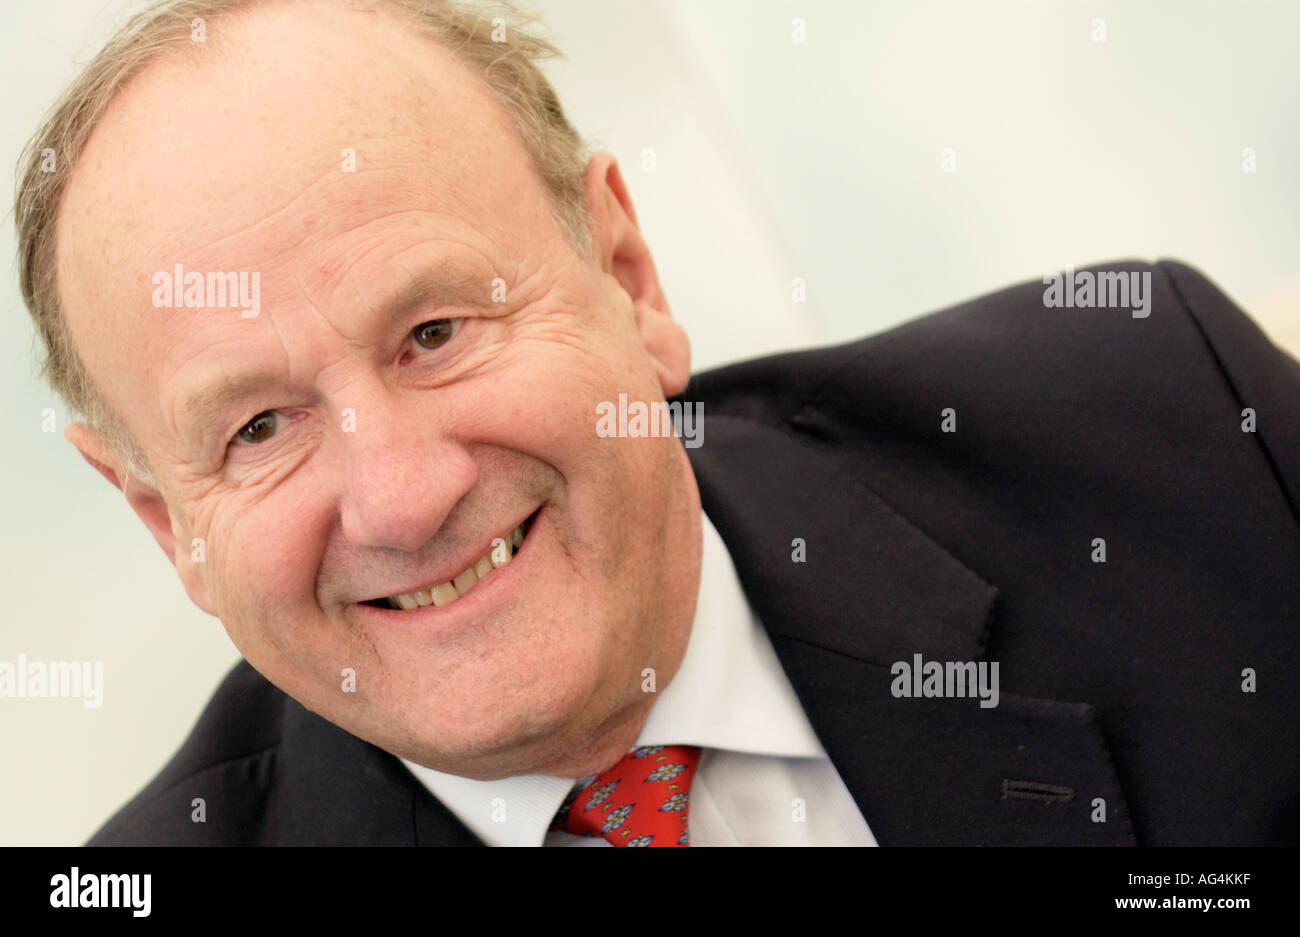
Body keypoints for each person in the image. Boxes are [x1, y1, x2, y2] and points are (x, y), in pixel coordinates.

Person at [15, 0, 1298, 846]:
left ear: (629, 276)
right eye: (255, 430)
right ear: (161, 522)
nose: (401, 497)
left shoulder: (1180, 432)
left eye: (436, 333)